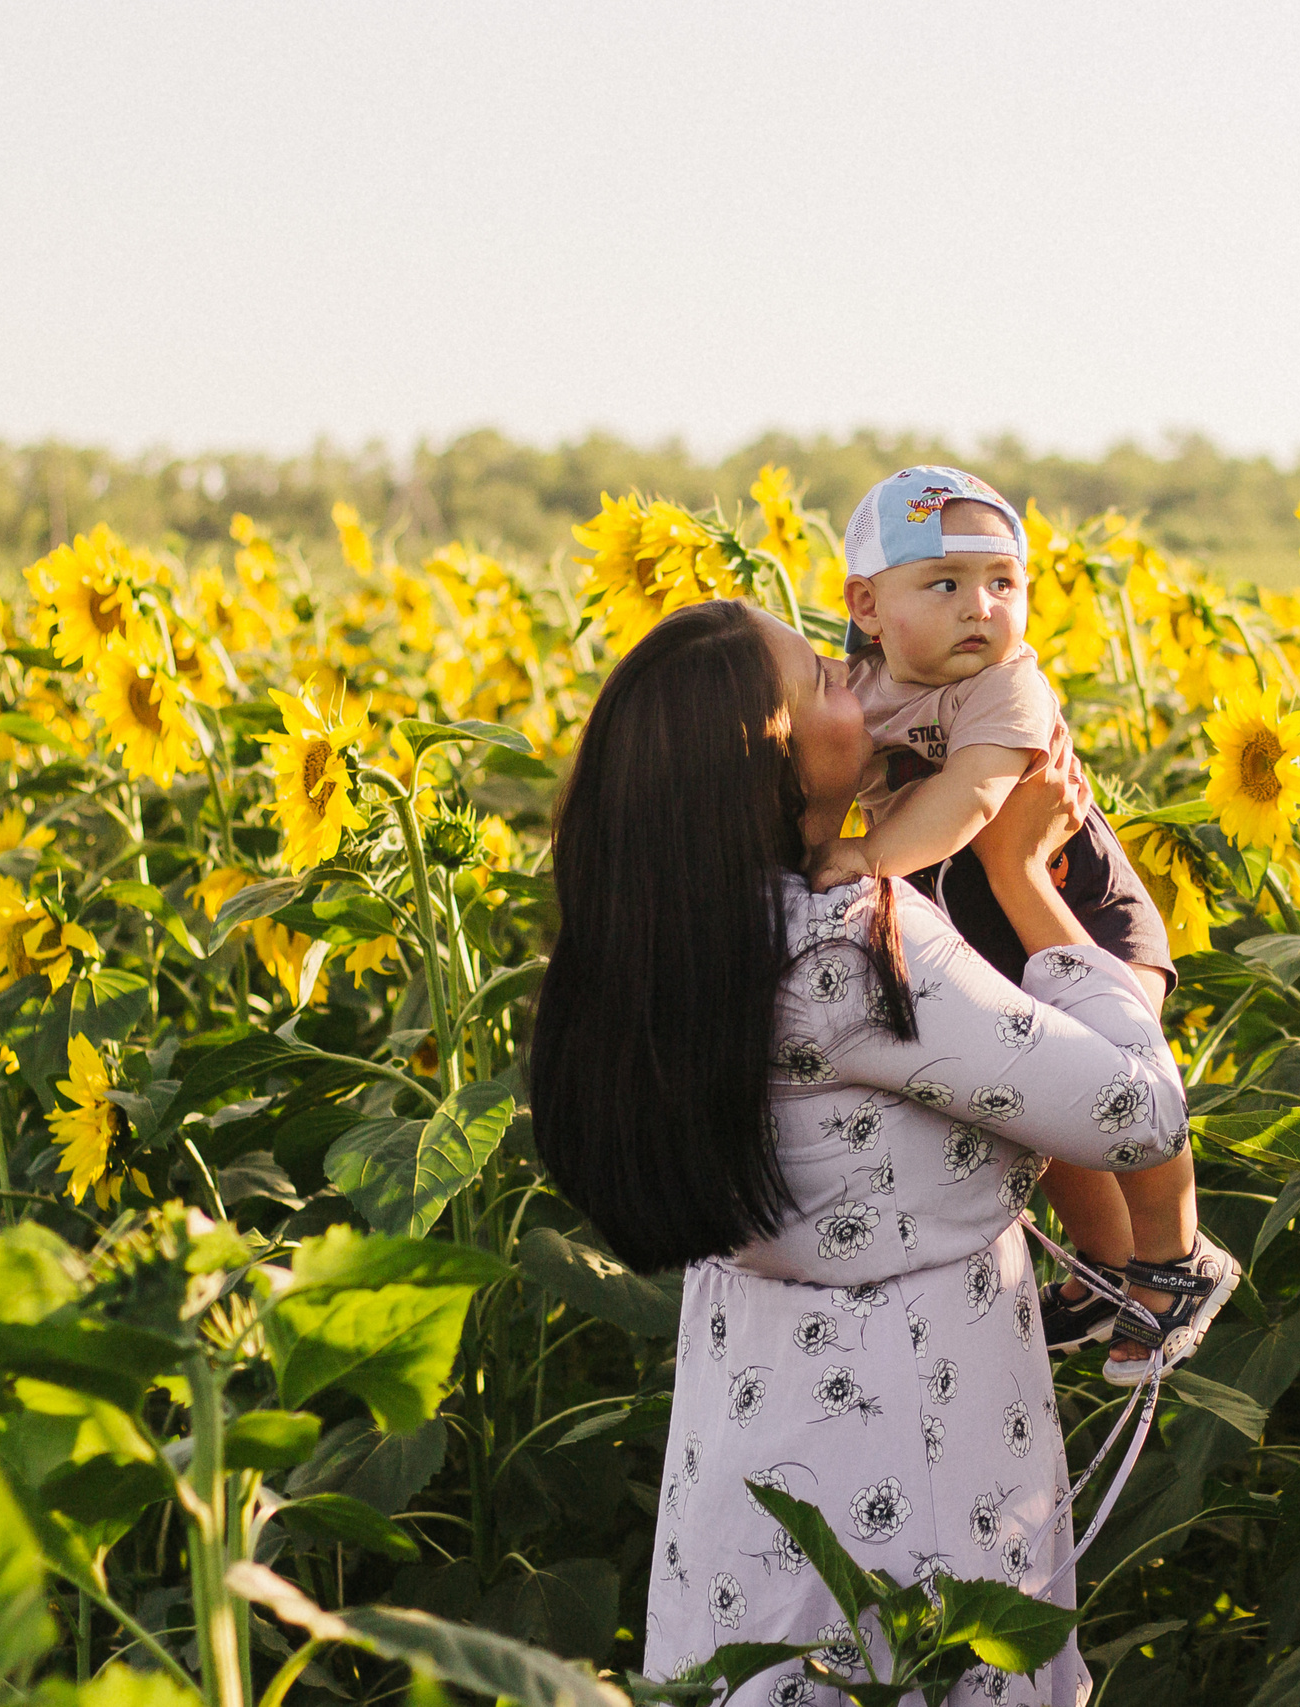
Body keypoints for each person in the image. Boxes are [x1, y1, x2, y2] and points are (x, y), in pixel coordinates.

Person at [530, 598, 1193, 1705]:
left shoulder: (655, 937)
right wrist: (1024, 875)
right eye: (826, 681)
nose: (861, 676)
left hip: (746, 1414)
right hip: (917, 1416)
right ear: (776, 765)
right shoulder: (847, 945)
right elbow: (1137, 1110)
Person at [803, 466, 1237, 1379]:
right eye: (945, 583)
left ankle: (1175, 1255)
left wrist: (866, 855)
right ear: (867, 606)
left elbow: (973, 796)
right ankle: (1107, 1266)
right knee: (1049, 1108)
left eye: (1004, 582)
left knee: (1120, 1077)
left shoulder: (1009, 685)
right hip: (983, 922)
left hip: (1088, 914)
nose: (981, 607)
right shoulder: (856, 690)